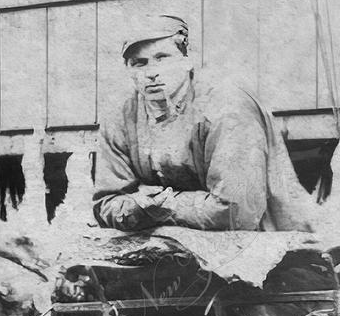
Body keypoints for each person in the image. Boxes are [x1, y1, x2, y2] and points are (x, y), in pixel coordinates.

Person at [94, 14, 315, 233]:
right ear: (128, 70)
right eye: (139, 63)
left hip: (263, 242)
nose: (151, 72)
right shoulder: (120, 116)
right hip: (169, 242)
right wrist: (137, 208)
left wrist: (159, 204)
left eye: (162, 57)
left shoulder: (227, 106)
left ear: (187, 61)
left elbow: (235, 213)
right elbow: (106, 204)